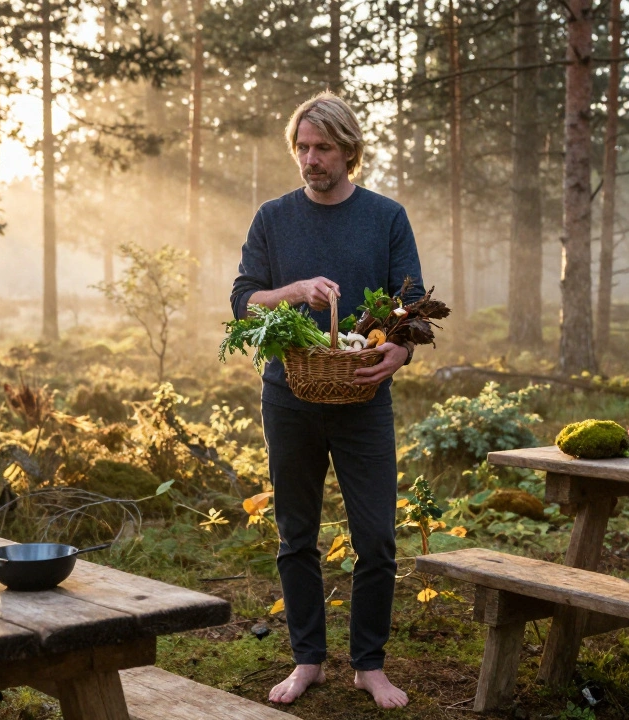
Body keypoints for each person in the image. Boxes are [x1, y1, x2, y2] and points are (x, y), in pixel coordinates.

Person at [229, 91, 423, 710]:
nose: (310, 159)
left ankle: (370, 665)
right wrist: (294, 290)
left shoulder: (386, 216)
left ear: (349, 151)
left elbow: (410, 306)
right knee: (296, 535)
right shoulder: (272, 218)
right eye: (303, 147)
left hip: (364, 400)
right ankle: (307, 659)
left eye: (323, 148)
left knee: (377, 538)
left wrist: (401, 351)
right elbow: (243, 300)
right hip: (290, 398)